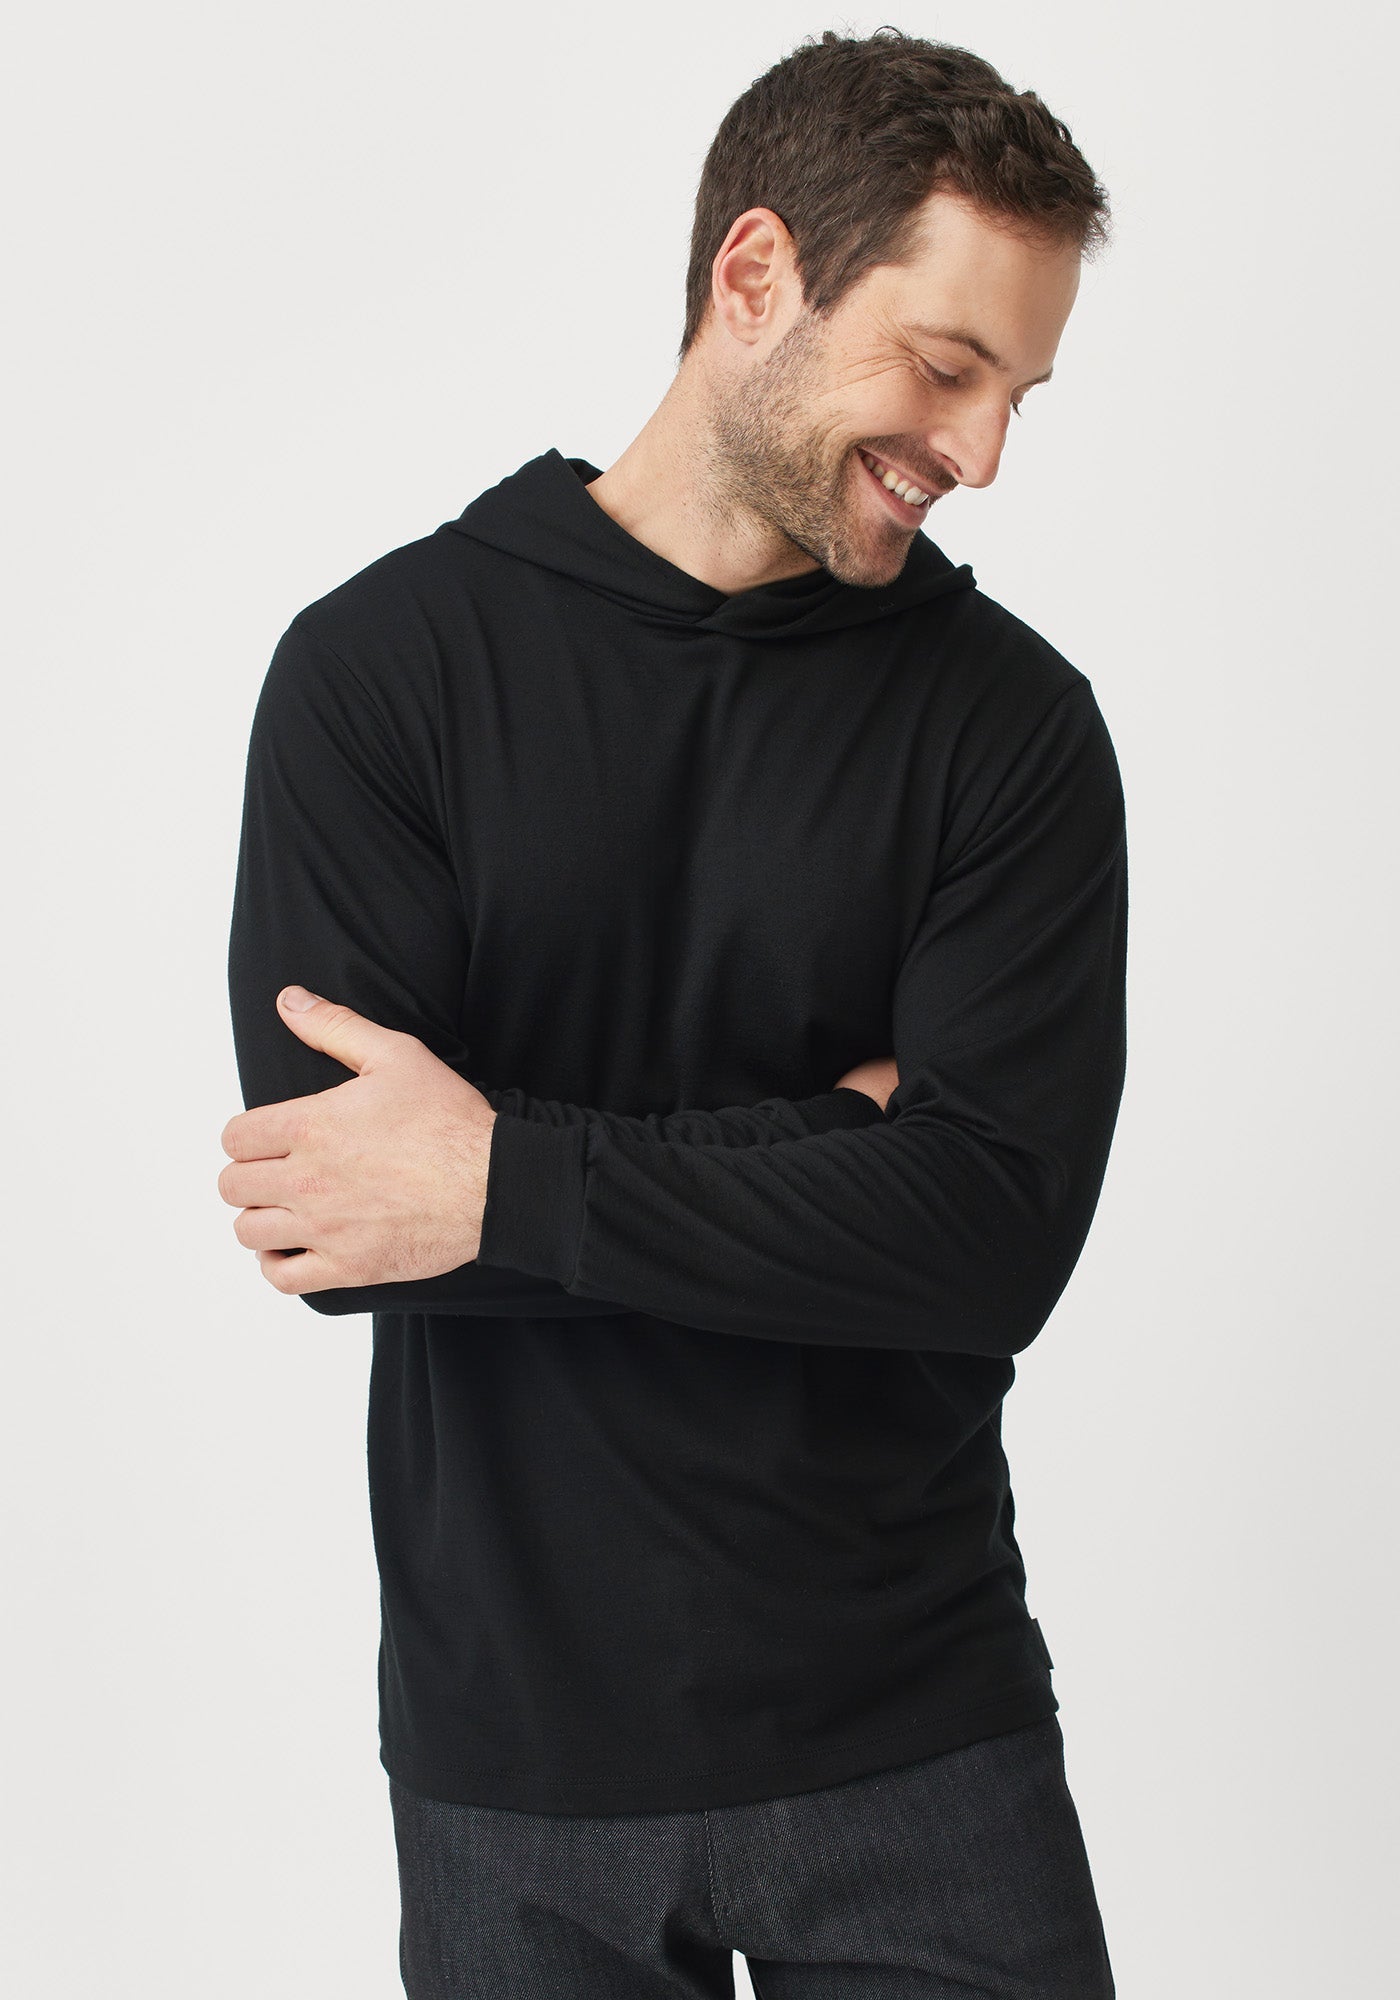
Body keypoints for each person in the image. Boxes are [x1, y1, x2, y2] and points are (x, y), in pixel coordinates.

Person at [221, 26, 1125, 1999]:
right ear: (756, 274)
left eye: (1018, 393)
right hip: (516, 1767)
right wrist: (849, 1137)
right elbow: (340, 1226)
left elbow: (991, 1235)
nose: (982, 454)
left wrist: (501, 1177)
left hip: (919, 1734)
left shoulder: (1012, 729)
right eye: (945, 366)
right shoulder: (381, 676)